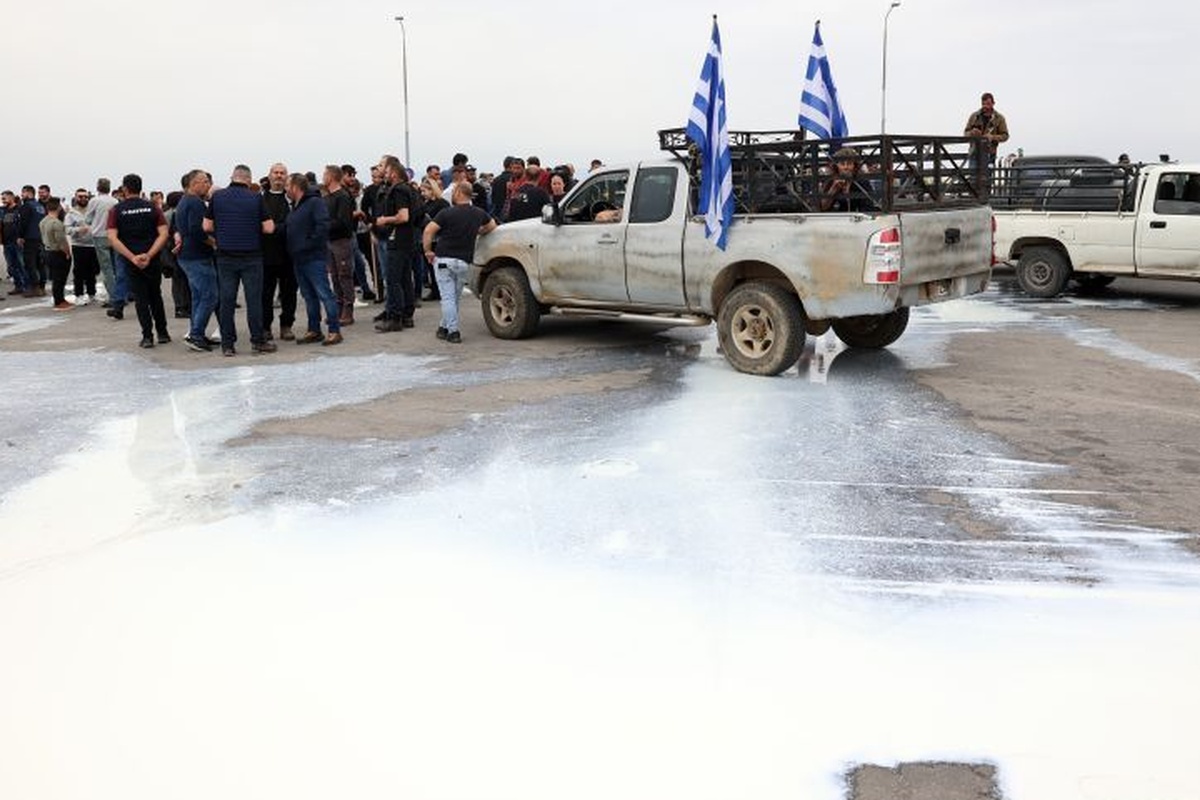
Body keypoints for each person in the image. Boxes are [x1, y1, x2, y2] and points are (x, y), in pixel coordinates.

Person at [203, 164, 277, 356]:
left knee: (227, 301)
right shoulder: (255, 198)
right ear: (249, 180)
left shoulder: (217, 197)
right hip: (251, 256)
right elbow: (269, 228)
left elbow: (206, 226)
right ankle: (258, 341)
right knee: (254, 301)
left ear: (232, 177)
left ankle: (228, 345)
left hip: (225, 256)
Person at [422, 182, 497, 344]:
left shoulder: (446, 213)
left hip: (443, 259)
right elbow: (492, 226)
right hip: (464, 261)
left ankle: (453, 331)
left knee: (448, 298)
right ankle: (443, 327)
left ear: (458, 193)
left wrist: (428, 251)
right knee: (454, 297)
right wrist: (478, 231)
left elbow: (429, 230)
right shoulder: (478, 213)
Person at [106, 174, 171, 347]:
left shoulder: (117, 210)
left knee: (141, 298)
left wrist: (132, 257)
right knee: (155, 295)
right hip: (152, 259)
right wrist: (149, 255)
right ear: (140, 188)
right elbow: (164, 233)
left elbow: (112, 238)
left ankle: (147, 336)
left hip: (132, 261)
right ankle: (163, 333)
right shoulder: (153, 208)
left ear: (125, 189)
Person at [285, 173, 342, 346]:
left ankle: (334, 330)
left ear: (295, 186)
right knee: (309, 296)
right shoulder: (296, 206)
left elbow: (322, 226)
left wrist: (308, 244)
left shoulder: (315, 203)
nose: (286, 189)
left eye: (288, 185)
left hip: (313, 258)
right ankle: (314, 330)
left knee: (325, 294)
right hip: (299, 259)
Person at [175, 169, 218, 352]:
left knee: (199, 296)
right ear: (195, 183)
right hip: (197, 256)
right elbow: (196, 229)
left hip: (188, 256)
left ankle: (196, 332)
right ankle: (196, 334)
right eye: (205, 181)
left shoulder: (185, 201)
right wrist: (212, 242)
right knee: (210, 295)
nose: (208, 185)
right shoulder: (195, 202)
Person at [373, 155, 416, 333]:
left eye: (385, 168)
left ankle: (396, 317)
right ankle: (406, 315)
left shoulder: (398, 190)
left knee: (393, 279)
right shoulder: (406, 189)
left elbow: (403, 216)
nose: (384, 171)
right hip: (405, 240)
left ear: (393, 171)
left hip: (397, 240)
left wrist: (384, 220)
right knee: (405, 279)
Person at [261, 162, 297, 341]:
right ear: (269, 176)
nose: (279, 176)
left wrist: (274, 228)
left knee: (289, 294)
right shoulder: (260, 199)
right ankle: (265, 327)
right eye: (275, 172)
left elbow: (294, 224)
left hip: (289, 255)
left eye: (282, 173)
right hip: (266, 256)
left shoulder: (292, 200)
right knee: (265, 295)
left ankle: (286, 326)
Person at [322, 164, 357, 326]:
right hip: (330, 241)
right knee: (335, 277)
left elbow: (344, 222)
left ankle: (348, 310)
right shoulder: (327, 197)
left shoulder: (342, 196)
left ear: (331, 177)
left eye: (325, 174)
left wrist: (323, 225)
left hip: (341, 241)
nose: (323, 177)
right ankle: (338, 307)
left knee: (344, 275)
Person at [84, 178, 119, 306]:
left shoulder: (94, 201)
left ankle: (115, 297)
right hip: (114, 235)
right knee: (117, 267)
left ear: (98, 188)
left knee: (107, 268)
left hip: (99, 235)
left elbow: (88, 219)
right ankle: (121, 294)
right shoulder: (115, 201)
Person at [39, 197, 74, 311]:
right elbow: (61, 241)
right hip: (57, 252)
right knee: (60, 278)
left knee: (55, 278)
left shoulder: (43, 221)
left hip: (47, 250)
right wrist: (68, 253)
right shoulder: (57, 223)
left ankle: (59, 299)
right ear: (59, 207)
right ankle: (59, 301)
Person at [65, 188, 99, 304]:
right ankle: (79, 294)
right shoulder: (71, 213)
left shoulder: (92, 212)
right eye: (80, 196)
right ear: (75, 197)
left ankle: (92, 293)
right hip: (79, 245)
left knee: (92, 271)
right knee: (79, 271)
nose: (83, 199)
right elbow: (67, 229)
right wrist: (79, 230)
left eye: (85, 196)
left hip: (93, 245)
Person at [820, 147, 877, 213]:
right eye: (842, 164)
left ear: (854, 166)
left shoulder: (862, 183)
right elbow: (823, 207)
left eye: (849, 164)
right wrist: (834, 189)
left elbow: (868, 207)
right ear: (836, 166)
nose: (845, 167)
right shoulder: (830, 182)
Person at [964, 92, 1010, 173]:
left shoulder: (999, 118)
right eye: (983, 104)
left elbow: (1005, 135)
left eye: (988, 104)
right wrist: (972, 133)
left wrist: (992, 137)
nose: (985, 106)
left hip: (990, 153)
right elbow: (965, 133)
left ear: (993, 103)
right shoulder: (974, 116)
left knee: (987, 179)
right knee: (972, 179)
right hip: (974, 152)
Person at [16, 185, 46, 296]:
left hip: (30, 238)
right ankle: (42, 287)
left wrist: (20, 236)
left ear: (29, 193)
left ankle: (35, 288)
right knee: (40, 264)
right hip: (40, 237)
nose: (21, 195)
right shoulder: (40, 206)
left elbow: (23, 222)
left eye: (23, 193)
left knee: (30, 264)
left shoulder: (26, 206)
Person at [2, 190, 30, 296]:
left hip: (17, 242)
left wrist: (22, 237)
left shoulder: (19, 209)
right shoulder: (3, 211)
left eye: (4, 198)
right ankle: (18, 286)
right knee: (11, 266)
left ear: (11, 198)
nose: (3, 201)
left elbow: (23, 225)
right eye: (2, 198)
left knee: (22, 265)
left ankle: (27, 287)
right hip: (6, 242)